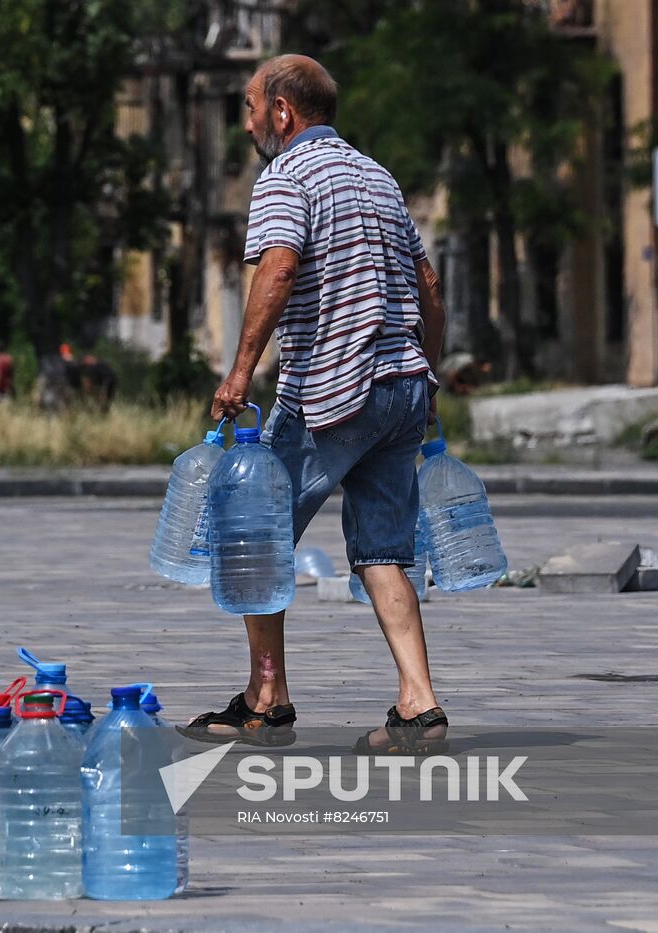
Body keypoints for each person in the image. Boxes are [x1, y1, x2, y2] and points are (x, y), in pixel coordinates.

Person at [181, 55, 449, 755]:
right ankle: (418, 705)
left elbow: (279, 265)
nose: (245, 123)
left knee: (254, 538)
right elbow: (427, 281)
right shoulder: (378, 176)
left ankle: (268, 700)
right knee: (385, 550)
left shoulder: (285, 176)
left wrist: (240, 371)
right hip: (401, 387)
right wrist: (429, 371)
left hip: (331, 389)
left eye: (248, 107)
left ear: (282, 112)